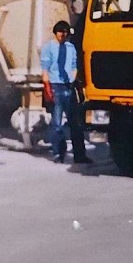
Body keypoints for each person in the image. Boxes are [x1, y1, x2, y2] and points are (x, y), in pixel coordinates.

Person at [40, 20, 89, 164]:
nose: (63, 34)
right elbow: (45, 68)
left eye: (65, 31)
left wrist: (73, 81)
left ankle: (79, 155)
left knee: (76, 123)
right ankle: (58, 153)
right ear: (55, 32)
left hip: (69, 86)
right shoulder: (48, 47)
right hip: (55, 86)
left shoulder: (71, 48)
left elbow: (74, 66)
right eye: (60, 31)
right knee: (57, 123)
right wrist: (47, 87)